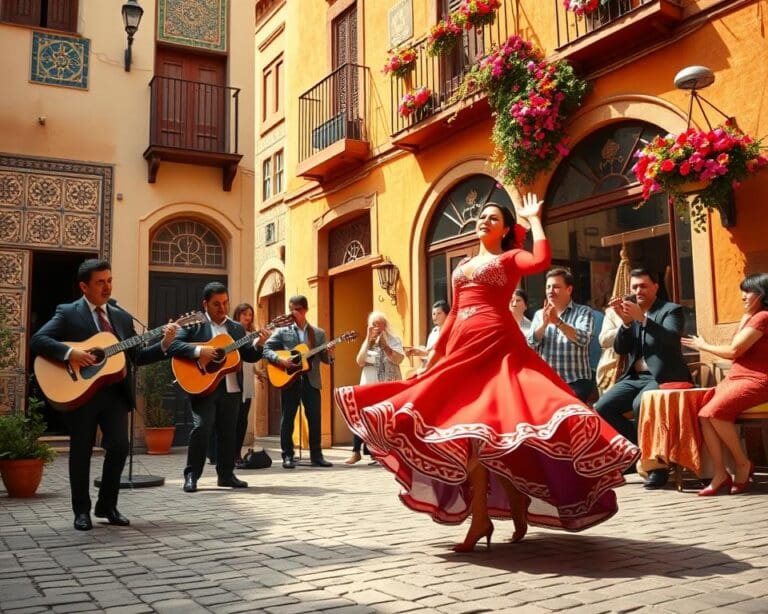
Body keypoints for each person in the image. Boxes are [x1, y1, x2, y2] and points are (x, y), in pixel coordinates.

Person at [335, 193, 639, 552]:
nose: (484, 221)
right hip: (463, 350)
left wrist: (534, 219)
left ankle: (482, 516)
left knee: (484, 429)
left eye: (494, 218)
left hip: (497, 346)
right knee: (471, 431)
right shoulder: (461, 267)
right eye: (482, 216)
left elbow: (541, 259)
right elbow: (453, 314)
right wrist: (436, 352)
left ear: (506, 229)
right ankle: (507, 504)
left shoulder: (509, 258)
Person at [30, 259, 177, 531]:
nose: (107, 287)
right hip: (81, 392)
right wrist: (71, 353)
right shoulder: (68, 312)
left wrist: (165, 343)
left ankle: (106, 505)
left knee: (120, 447)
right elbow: (38, 340)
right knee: (81, 452)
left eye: (109, 280)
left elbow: (137, 357)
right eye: (100, 282)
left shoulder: (120, 316)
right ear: (84, 286)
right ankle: (81, 511)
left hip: (114, 393)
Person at [594, 269, 692, 489]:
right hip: (636, 377)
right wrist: (627, 323)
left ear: (656, 287)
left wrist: (642, 319)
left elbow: (669, 339)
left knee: (641, 402)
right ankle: (638, 453)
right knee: (602, 407)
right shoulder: (632, 314)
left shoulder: (671, 310)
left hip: (665, 376)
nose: (639, 291)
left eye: (644, 286)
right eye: (635, 287)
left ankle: (656, 468)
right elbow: (621, 348)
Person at [168, 282, 269, 493]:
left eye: (225, 303)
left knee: (228, 432)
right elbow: (174, 346)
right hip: (203, 384)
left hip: (231, 387)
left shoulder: (235, 328)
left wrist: (259, 343)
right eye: (216, 304)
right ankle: (192, 476)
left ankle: (226, 475)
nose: (222, 308)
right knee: (202, 428)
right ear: (205, 304)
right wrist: (199, 351)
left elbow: (248, 355)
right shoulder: (194, 324)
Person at [681, 273, 768, 496]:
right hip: (737, 377)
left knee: (715, 413)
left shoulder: (763, 317)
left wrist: (703, 345)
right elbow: (736, 347)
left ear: (762, 294)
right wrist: (745, 317)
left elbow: (733, 351)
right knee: (704, 415)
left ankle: (742, 463)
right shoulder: (753, 317)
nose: (743, 296)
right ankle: (720, 474)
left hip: (757, 379)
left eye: (748, 292)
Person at [263, 295, 334, 469]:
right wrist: (281, 360)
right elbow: (266, 349)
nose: (293, 312)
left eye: (297, 309)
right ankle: (287, 455)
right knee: (288, 418)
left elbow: (325, 360)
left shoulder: (318, 333)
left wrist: (329, 353)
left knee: (315, 418)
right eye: (291, 309)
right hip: (289, 379)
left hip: (311, 380)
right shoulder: (282, 331)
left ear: (305, 310)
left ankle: (316, 456)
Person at [527, 268, 595, 403]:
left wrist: (557, 322)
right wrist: (544, 325)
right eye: (548, 287)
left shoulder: (583, 311)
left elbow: (583, 339)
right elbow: (530, 343)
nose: (550, 291)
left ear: (569, 290)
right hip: (546, 380)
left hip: (575, 380)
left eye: (556, 287)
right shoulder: (539, 314)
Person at [346, 311, 405, 465]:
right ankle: (356, 451)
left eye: (378, 324)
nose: (375, 328)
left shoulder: (394, 340)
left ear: (384, 326)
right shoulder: (368, 343)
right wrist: (367, 339)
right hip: (369, 384)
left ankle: (383, 453)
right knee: (361, 417)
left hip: (388, 385)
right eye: (372, 325)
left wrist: (385, 346)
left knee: (385, 419)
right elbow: (359, 361)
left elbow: (399, 359)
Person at [233, 303, 258, 468]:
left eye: (250, 315)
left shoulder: (252, 334)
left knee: (242, 421)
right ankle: (224, 455)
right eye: (245, 315)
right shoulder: (232, 333)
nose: (248, 318)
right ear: (237, 316)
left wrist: (258, 371)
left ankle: (237, 454)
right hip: (234, 381)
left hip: (247, 382)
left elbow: (250, 357)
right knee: (232, 421)